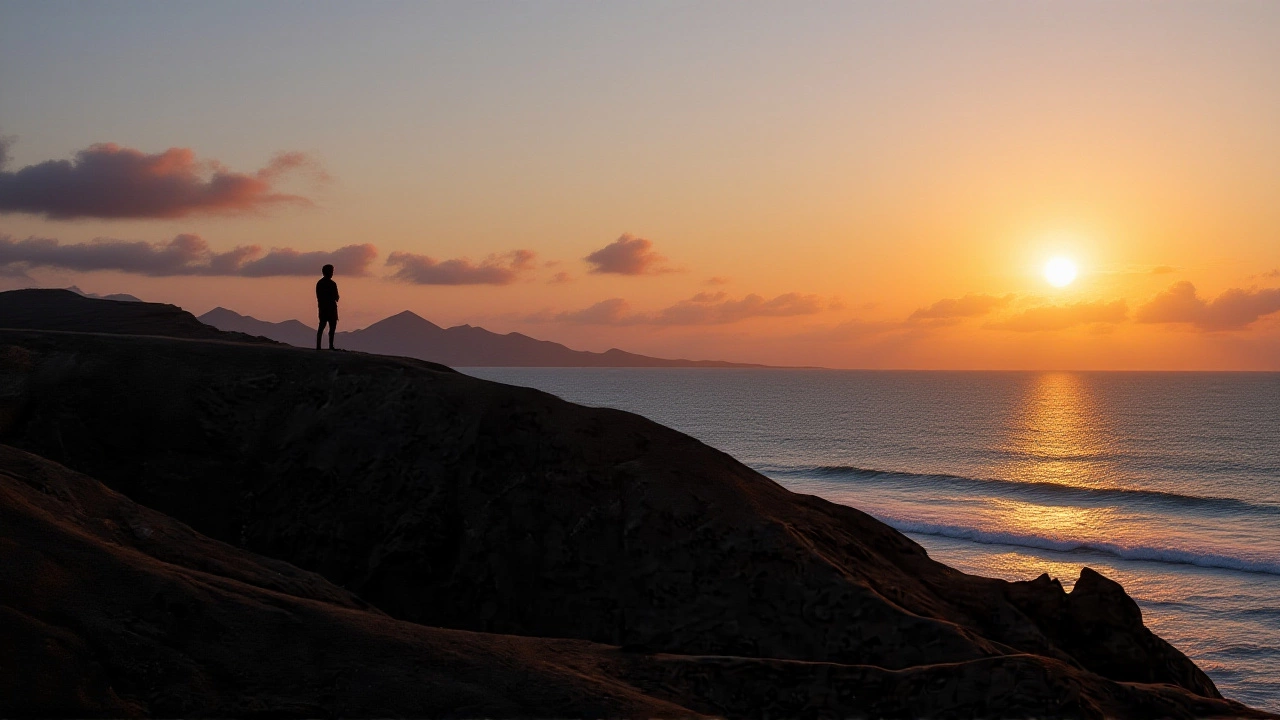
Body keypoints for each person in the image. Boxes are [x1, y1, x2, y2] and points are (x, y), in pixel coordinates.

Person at [316, 264, 339, 350]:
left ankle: (318, 346)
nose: (332, 273)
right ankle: (331, 346)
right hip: (331, 308)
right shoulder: (332, 284)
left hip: (322, 308)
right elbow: (336, 297)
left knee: (321, 326)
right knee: (332, 328)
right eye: (331, 271)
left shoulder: (319, 283)